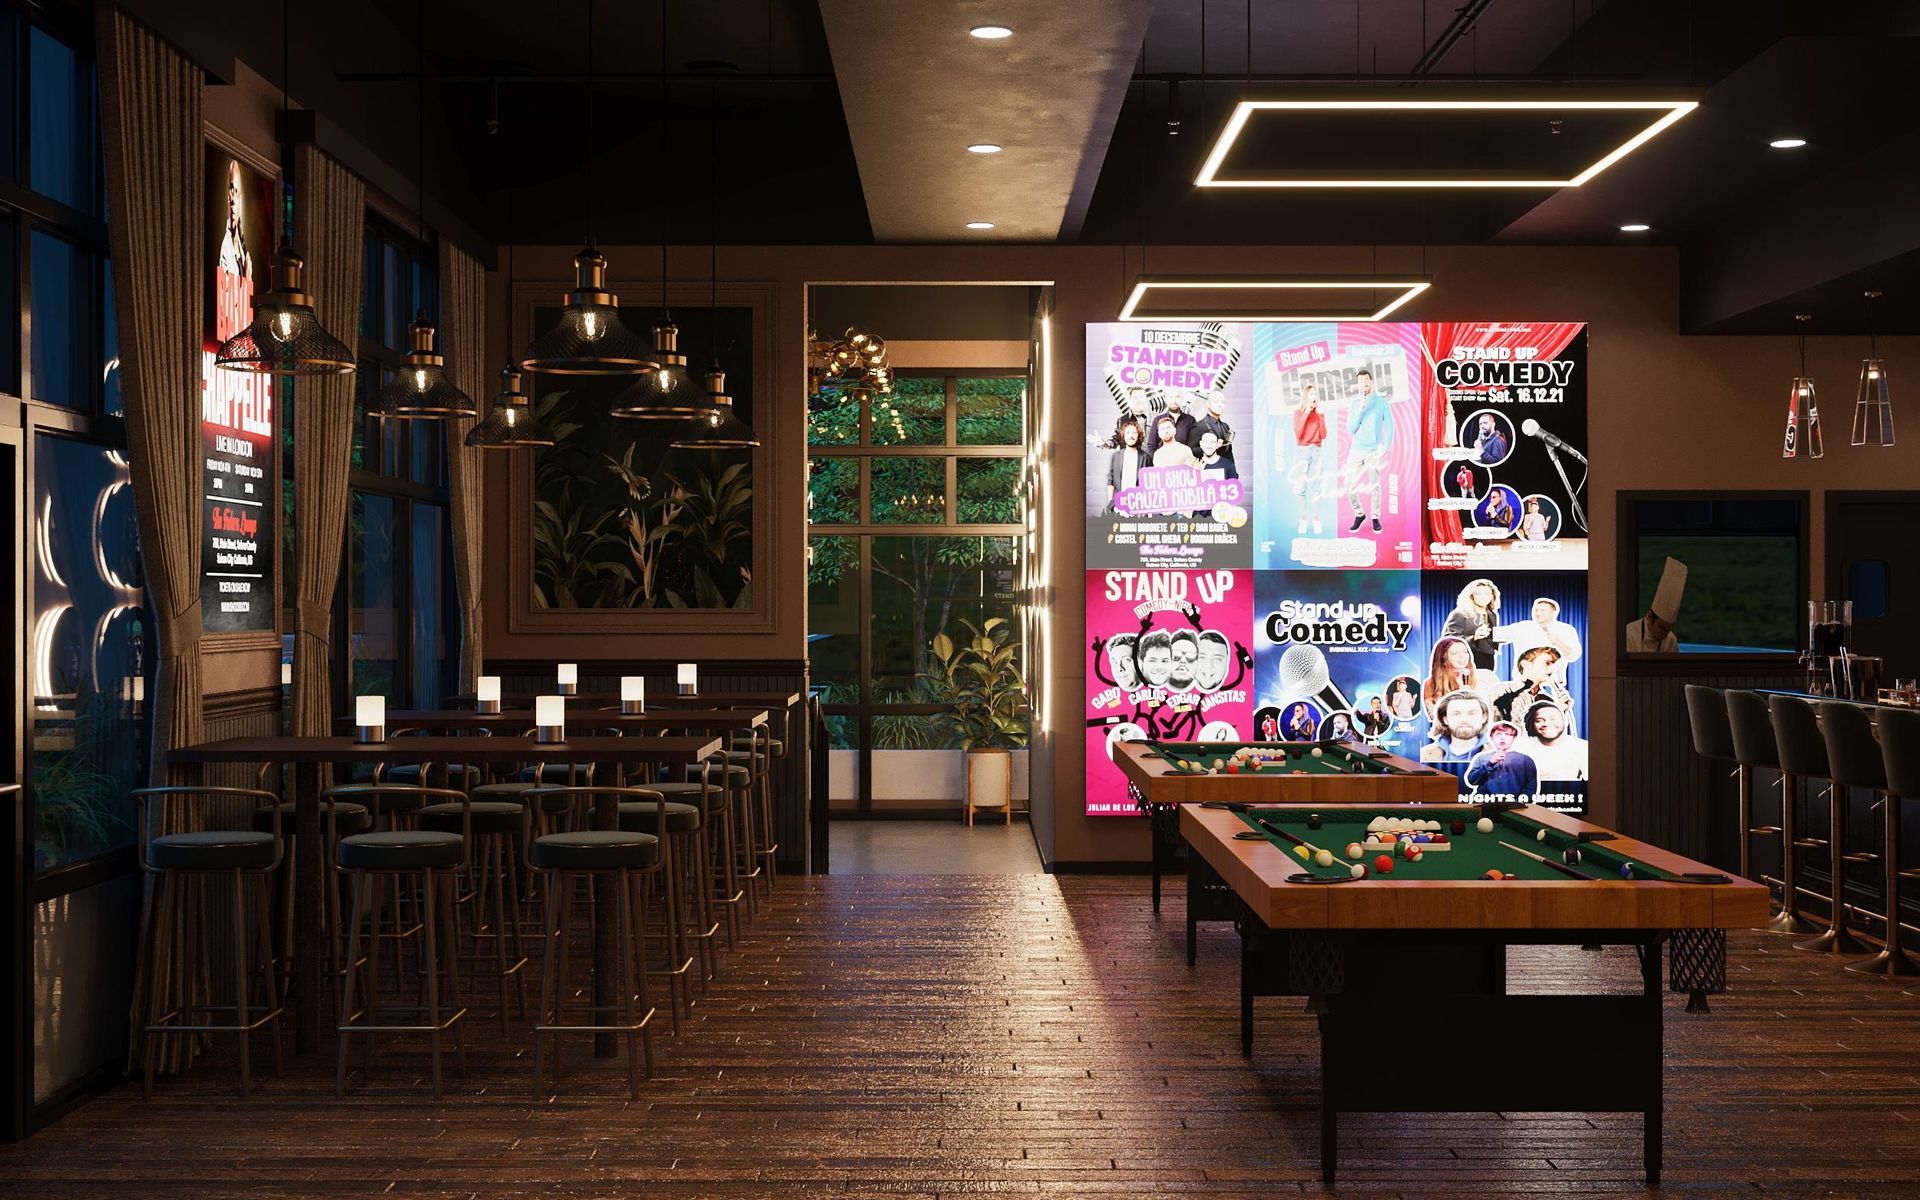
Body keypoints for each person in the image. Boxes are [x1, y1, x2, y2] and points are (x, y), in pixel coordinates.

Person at [1344, 368, 1392, 533]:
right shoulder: (1355, 404)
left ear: (1371, 381)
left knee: (1375, 485)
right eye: (1360, 381)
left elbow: (1390, 426)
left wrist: (1385, 447)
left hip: (1373, 451)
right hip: (1356, 450)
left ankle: (1375, 517)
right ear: (1357, 384)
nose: (1363, 384)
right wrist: (1360, 410)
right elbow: (1351, 429)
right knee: (1348, 484)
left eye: (1366, 380)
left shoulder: (1381, 403)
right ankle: (1359, 514)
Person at [1493, 645, 1574, 725]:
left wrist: (1560, 710)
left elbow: (1553, 733)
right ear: (1525, 664)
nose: (1552, 669)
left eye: (1554, 665)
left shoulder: (1548, 700)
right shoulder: (1504, 690)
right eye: (1547, 663)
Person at [1464, 720, 1539, 799]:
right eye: (1498, 734)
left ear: (1514, 738)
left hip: (1516, 807)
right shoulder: (1482, 758)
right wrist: (1490, 763)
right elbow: (1472, 780)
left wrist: (1520, 802)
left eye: (1507, 734)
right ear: (1491, 737)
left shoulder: (1525, 760)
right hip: (1486, 805)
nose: (1502, 738)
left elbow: (1531, 785)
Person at [1626, 557, 1687, 653]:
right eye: (1662, 628)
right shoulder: (1629, 635)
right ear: (1650, 617)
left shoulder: (1671, 640)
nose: (1665, 634)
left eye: (1668, 629)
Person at [1441, 577, 1503, 672]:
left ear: (1492, 596)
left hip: (1488, 660)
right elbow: (1448, 640)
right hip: (1467, 659)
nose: (1483, 597)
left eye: (1487, 594)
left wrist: (1501, 638)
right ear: (1471, 596)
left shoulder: (1493, 615)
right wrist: (1473, 637)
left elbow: (1490, 638)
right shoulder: (1460, 614)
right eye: (1478, 594)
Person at [1521, 700, 1588, 781]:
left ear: (1564, 721)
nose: (1547, 724)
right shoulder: (1522, 748)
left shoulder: (1582, 747)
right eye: (1539, 720)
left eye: (1553, 719)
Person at [1292, 383, 1328, 534]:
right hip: (1303, 451)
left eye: (1316, 394)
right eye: (1312, 394)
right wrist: (1306, 412)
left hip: (1317, 451)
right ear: (1306, 396)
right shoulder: (1298, 413)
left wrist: (1319, 415)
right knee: (1301, 488)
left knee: (1317, 487)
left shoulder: (1319, 413)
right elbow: (1298, 434)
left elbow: (1324, 435)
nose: (1315, 397)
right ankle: (1302, 520)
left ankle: (1316, 519)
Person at [1422, 635, 1488, 713]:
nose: (1462, 657)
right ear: (1444, 658)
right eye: (1455, 653)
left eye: (1465, 652)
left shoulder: (1486, 676)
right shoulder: (1431, 684)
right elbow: (1434, 716)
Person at [1422, 689, 1491, 763]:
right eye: (1456, 714)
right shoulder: (1424, 755)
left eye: (1472, 713)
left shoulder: (1498, 753)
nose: (1464, 719)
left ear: (1484, 717)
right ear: (1445, 719)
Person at [1104, 418, 1146, 514]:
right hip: (1119, 505)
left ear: (1139, 435)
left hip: (1138, 506)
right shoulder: (1116, 456)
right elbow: (1111, 479)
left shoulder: (1145, 457)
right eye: (1128, 433)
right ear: (1123, 436)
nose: (1131, 436)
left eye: (1134, 433)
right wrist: (1110, 503)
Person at [1194, 430, 1238, 516]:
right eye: (1206, 442)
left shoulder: (1228, 465)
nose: (1209, 445)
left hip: (1222, 517)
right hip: (1199, 519)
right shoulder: (1194, 465)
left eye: (1212, 442)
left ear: (1217, 444)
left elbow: (1234, 495)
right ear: (1201, 444)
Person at [1187, 393, 1234, 460]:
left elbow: (1229, 453)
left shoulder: (1225, 426)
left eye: (1222, 402)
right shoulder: (1198, 427)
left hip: (1225, 467)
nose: (1220, 405)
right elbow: (1191, 451)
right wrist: (1211, 447)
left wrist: (1232, 470)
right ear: (1208, 405)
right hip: (1207, 468)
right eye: (1216, 401)